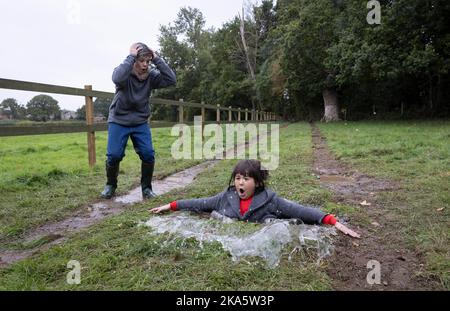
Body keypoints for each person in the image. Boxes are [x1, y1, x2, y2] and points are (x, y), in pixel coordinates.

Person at [150, 159, 361, 238]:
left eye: (246, 179)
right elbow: (199, 203)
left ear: (258, 183)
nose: (241, 183)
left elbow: (300, 211)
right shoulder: (226, 197)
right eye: (238, 178)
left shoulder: (271, 200)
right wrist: (172, 205)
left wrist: (332, 221)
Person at [101, 42, 176, 199]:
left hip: (140, 121)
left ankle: (147, 189)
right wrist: (131, 56)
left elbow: (171, 79)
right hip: (119, 120)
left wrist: (157, 59)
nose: (145, 65)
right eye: (141, 61)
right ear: (134, 60)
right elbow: (116, 78)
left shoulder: (152, 75)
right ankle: (110, 185)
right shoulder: (124, 73)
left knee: (148, 154)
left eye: (147, 61)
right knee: (114, 155)